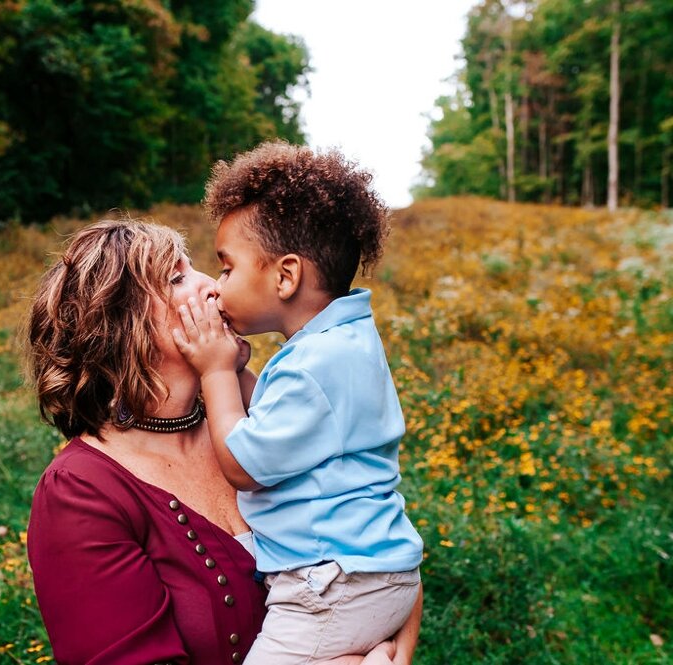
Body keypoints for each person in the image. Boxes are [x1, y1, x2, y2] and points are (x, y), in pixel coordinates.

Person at [24, 218, 422, 664]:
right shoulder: (82, 491)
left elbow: (375, 529)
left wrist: (398, 645)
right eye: (177, 277)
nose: (214, 286)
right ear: (120, 328)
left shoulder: (258, 422)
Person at [172, 141, 424, 663]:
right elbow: (277, 423)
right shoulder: (340, 344)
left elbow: (246, 464)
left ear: (285, 276)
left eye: (226, 269)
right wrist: (238, 370)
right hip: (366, 570)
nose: (215, 290)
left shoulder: (313, 366)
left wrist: (218, 372)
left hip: (333, 582)